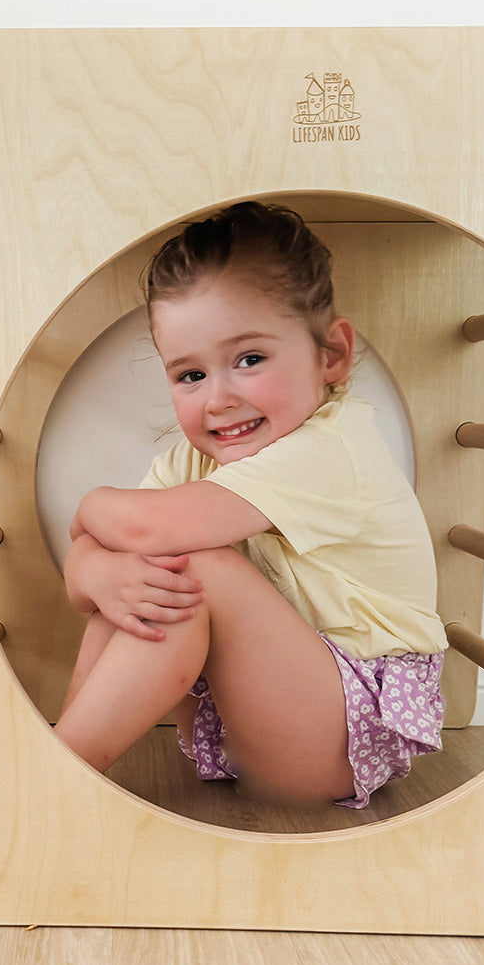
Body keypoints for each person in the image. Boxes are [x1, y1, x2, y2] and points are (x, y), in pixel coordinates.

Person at [55, 202, 447, 808]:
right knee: (139, 574)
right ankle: (59, 755)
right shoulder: (200, 464)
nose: (218, 400)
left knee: (185, 568)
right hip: (251, 726)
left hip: (347, 734)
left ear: (331, 356)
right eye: (190, 375)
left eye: (250, 359)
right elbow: (99, 562)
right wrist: (99, 571)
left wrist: (91, 505)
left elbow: (132, 523)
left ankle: (52, 774)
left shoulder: (333, 450)